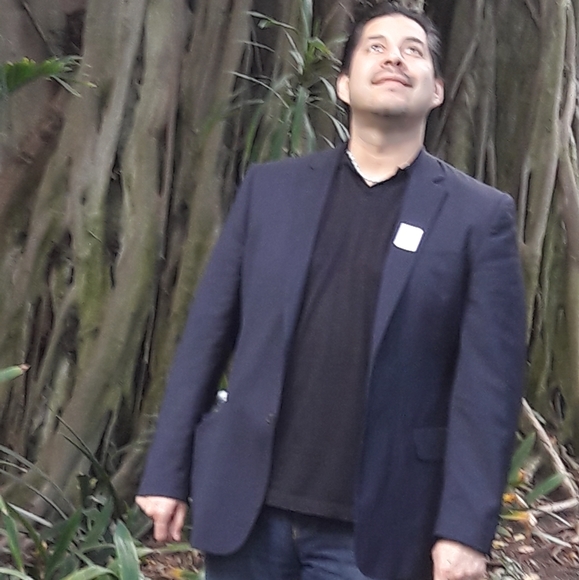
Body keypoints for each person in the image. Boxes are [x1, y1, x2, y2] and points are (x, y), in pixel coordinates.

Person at [136, 2, 527, 579]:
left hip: (379, 530)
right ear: (343, 84)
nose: (395, 58)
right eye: (376, 47)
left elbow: (487, 389)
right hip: (250, 516)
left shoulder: (478, 216)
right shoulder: (271, 191)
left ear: (437, 90)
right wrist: (167, 472)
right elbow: (206, 336)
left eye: (413, 51)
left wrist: (465, 530)